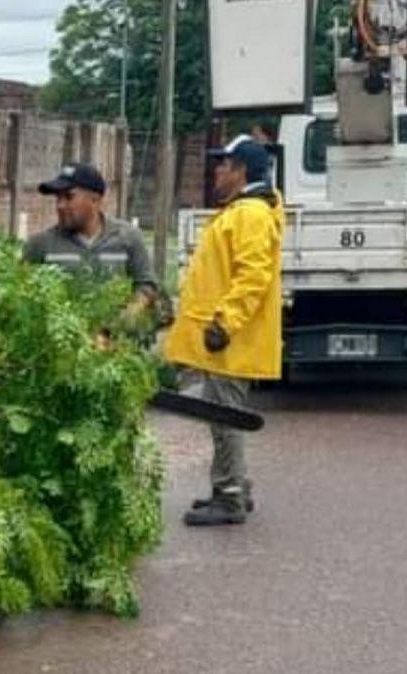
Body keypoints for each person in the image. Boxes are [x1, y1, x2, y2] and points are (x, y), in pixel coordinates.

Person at [164, 134, 284, 526]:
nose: (217, 170)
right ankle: (231, 487)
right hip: (227, 338)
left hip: (231, 340)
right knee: (221, 417)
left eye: (223, 164)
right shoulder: (244, 210)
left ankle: (229, 496)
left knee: (226, 418)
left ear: (241, 170)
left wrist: (225, 323)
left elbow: (253, 276)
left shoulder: (250, 214)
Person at [23, 163, 160, 330]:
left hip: (118, 347)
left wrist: (119, 325)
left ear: (95, 200)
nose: (60, 205)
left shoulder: (128, 238)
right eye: (58, 198)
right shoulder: (41, 245)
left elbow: (146, 286)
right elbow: (24, 294)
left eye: (69, 197)